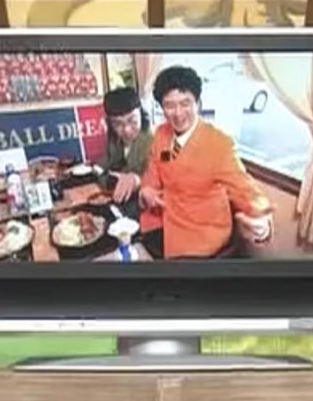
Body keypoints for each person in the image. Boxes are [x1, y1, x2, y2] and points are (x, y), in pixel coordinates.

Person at [136, 65, 274, 259]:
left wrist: (262, 224)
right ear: (161, 107)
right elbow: (153, 170)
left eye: (185, 103)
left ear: (198, 103)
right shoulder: (161, 134)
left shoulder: (218, 144)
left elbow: (245, 190)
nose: (178, 113)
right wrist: (146, 189)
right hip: (166, 221)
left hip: (202, 233)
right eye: (169, 105)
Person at [99, 85, 152, 217]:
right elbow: (102, 167)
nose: (127, 130)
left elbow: (165, 179)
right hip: (120, 206)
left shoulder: (155, 140)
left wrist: (138, 180)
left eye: (132, 121)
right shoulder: (114, 141)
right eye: (118, 124)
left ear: (141, 114)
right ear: (110, 124)